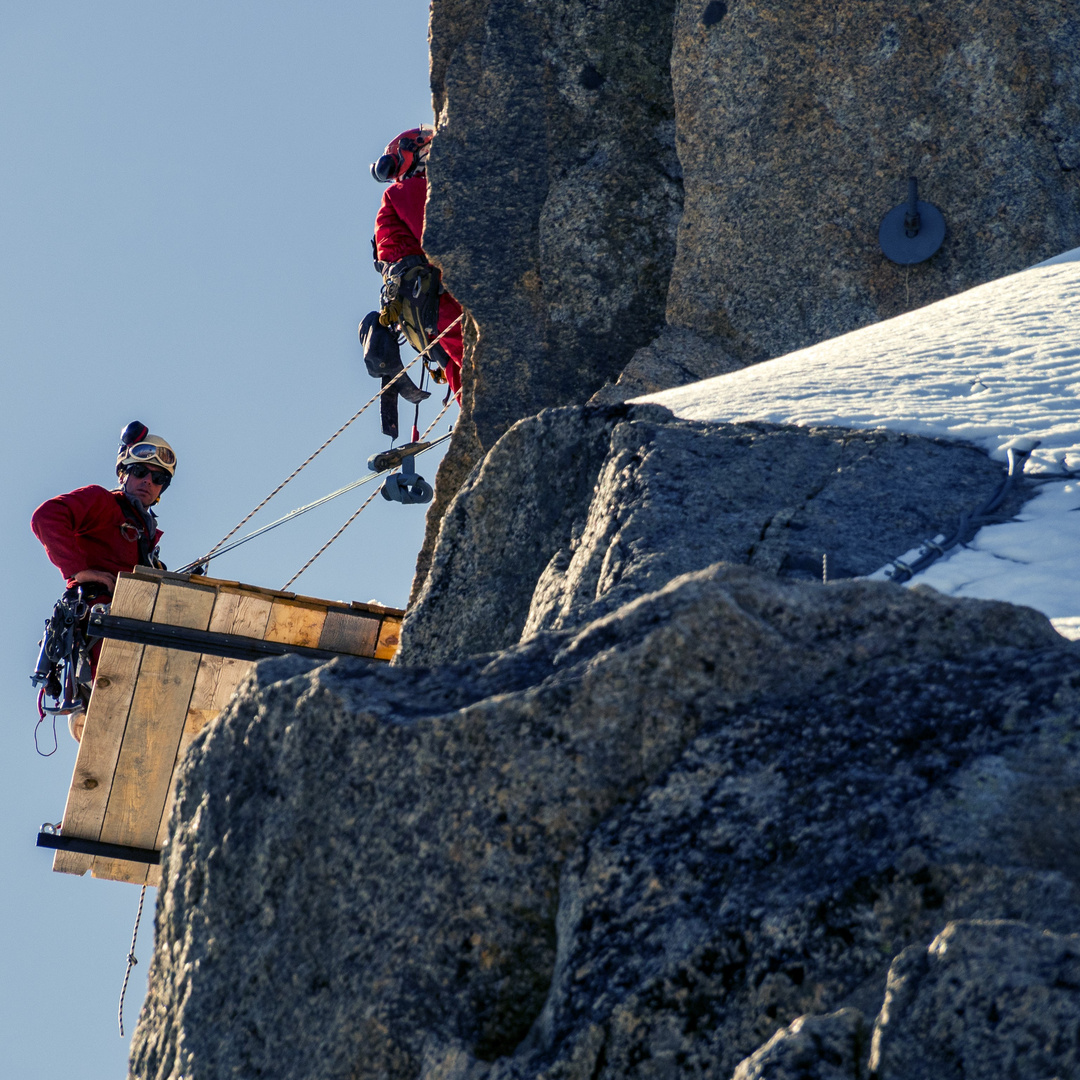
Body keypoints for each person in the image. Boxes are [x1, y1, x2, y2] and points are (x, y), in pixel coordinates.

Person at [31, 422, 175, 739]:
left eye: (158, 478)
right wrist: (78, 570)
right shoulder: (102, 503)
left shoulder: (144, 537)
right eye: (140, 471)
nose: (148, 482)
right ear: (123, 473)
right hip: (99, 638)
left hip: (127, 642)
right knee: (110, 721)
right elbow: (46, 516)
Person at [371, 125, 464, 401]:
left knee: (457, 364)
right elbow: (436, 235)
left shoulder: (396, 198)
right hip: (430, 294)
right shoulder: (408, 190)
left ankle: (477, 417)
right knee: (474, 353)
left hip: (417, 310)